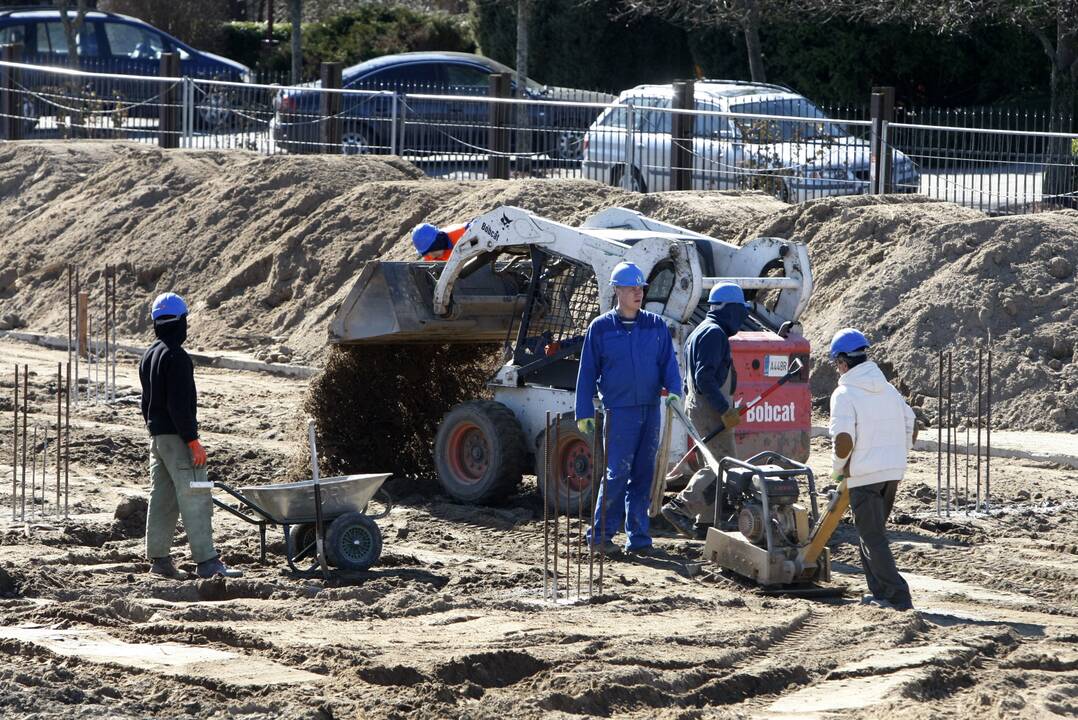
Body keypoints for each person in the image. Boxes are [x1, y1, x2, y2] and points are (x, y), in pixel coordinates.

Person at [575, 261, 682, 555]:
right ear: (617, 291)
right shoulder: (601, 329)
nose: (639, 293)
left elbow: (668, 364)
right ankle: (600, 536)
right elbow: (586, 372)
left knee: (643, 475)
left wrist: (675, 391)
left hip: (650, 410)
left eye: (641, 288)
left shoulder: (655, 325)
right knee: (616, 474)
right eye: (632, 288)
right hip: (619, 412)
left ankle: (638, 539)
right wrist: (583, 411)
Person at [141, 292, 241, 580]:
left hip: (158, 439)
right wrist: (192, 441)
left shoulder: (149, 355)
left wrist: (156, 433)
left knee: (162, 497)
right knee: (196, 494)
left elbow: (147, 403)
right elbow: (179, 405)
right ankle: (208, 562)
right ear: (182, 321)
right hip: (177, 438)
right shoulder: (177, 357)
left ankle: (159, 561)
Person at [829, 328, 915, 611]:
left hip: (864, 476)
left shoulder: (844, 394)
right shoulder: (889, 390)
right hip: (892, 473)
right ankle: (878, 592)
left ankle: (897, 595)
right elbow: (911, 425)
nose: (837, 368)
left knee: (872, 537)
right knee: (870, 533)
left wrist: (839, 471)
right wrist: (898, 455)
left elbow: (843, 442)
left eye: (836, 362)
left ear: (843, 361)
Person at [660, 282, 749, 538]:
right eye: (740, 310)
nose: (742, 317)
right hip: (709, 409)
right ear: (729, 309)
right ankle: (680, 507)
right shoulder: (714, 334)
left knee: (712, 465)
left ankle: (704, 523)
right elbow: (704, 379)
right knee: (722, 466)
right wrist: (724, 410)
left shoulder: (701, 331)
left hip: (700, 407)